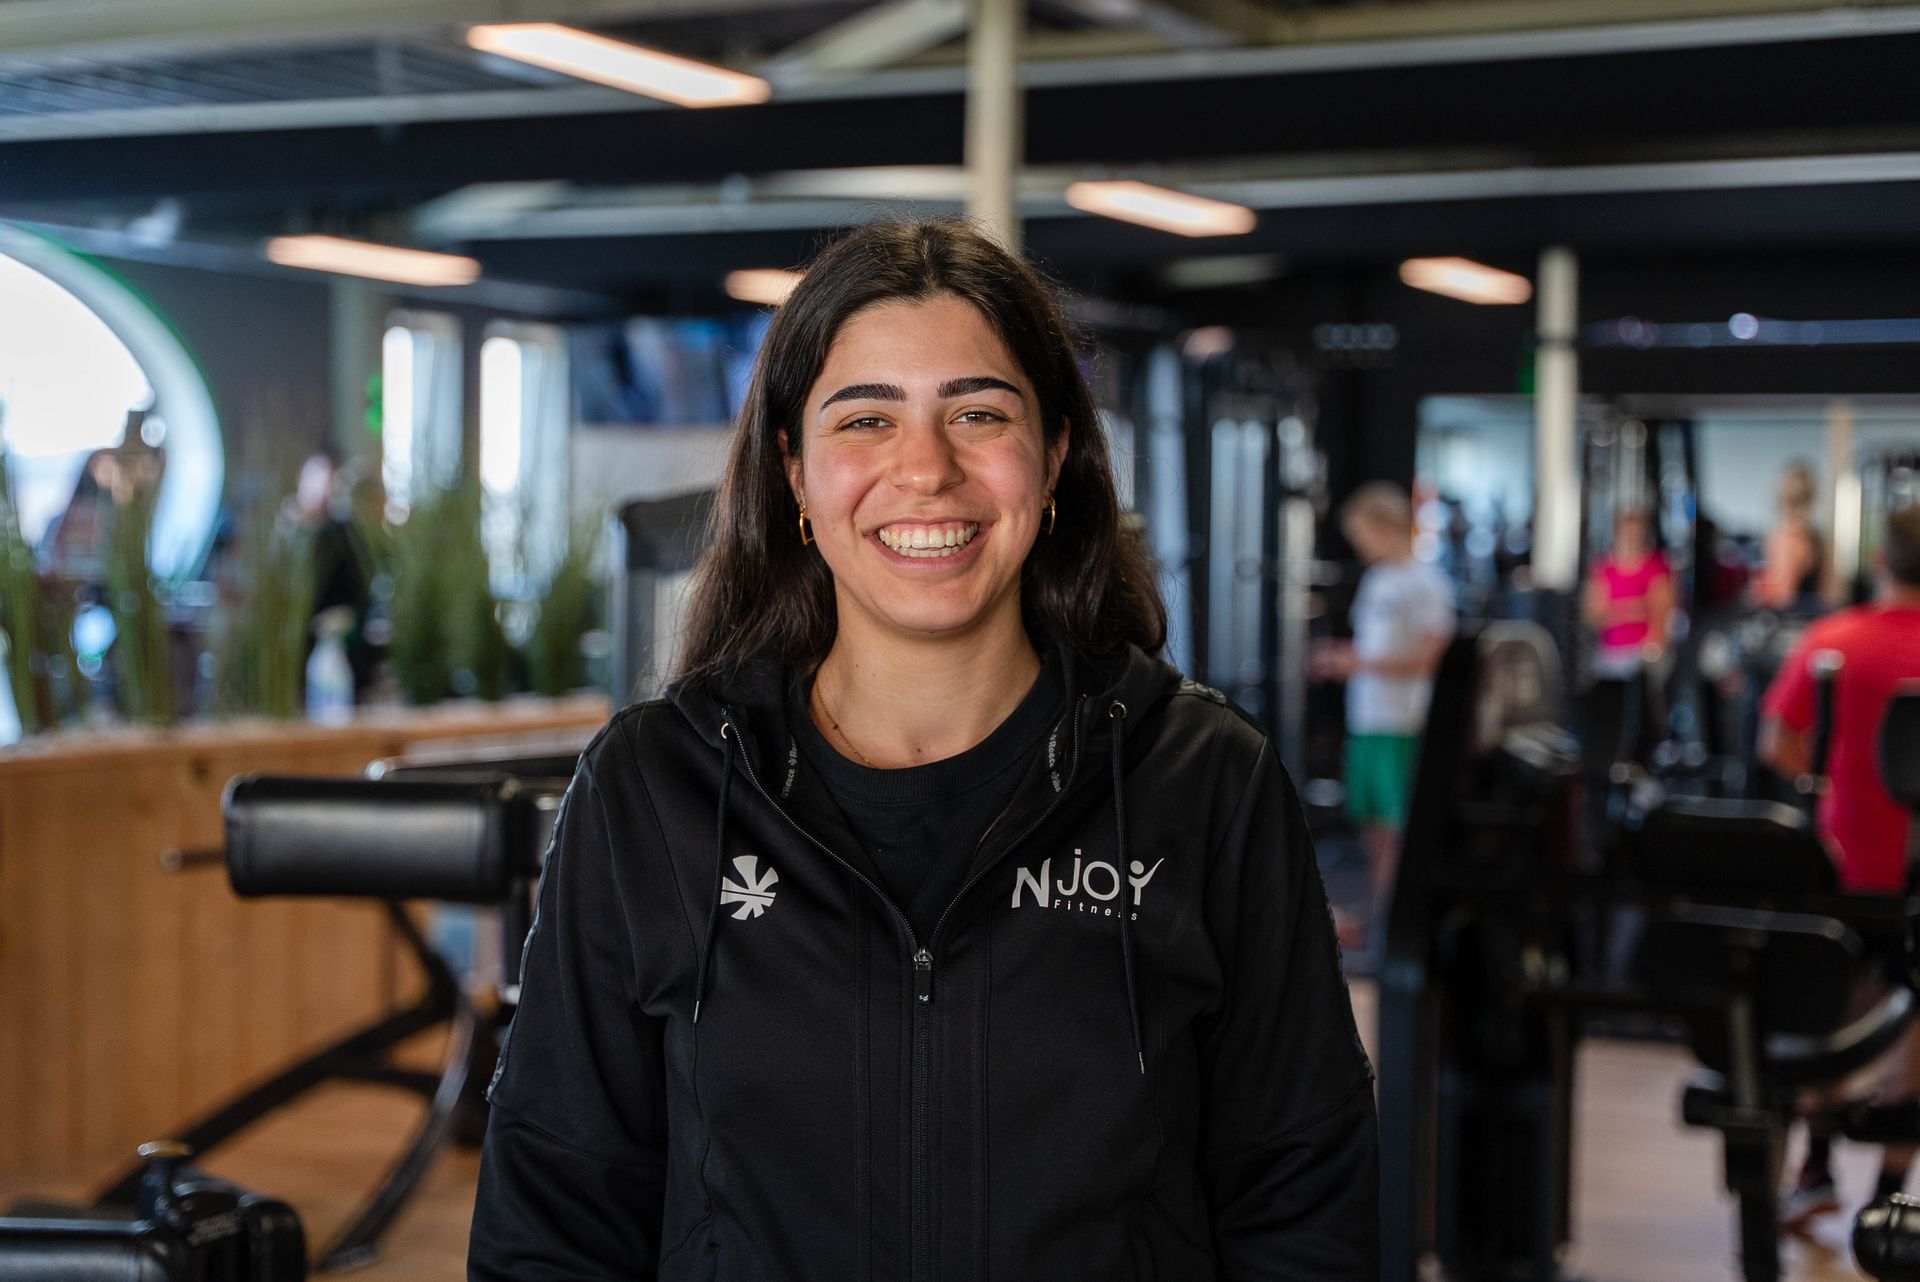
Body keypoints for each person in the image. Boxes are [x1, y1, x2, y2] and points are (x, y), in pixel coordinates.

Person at [468, 220, 1379, 1280]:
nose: (926, 469)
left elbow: (1305, 1202)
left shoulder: (1204, 780)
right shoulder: (653, 787)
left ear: (1054, 456)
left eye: (978, 413)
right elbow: (554, 1217)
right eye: (866, 418)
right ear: (795, 473)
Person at [1759, 502, 1920, 1231]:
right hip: (1911, 881)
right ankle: (1891, 1193)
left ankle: (1817, 1167)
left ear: (1882, 560)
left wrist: (1823, 788)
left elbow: (1778, 743)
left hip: (1843, 870)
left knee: (1828, 1015)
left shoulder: (1835, 640)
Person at [1311, 482, 1455, 947]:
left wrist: (1361, 664)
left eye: (1365, 534)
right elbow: (1374, 648)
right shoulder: (1377, 581)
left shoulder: (1427, 582)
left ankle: (1399, 925)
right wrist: (1342, 657)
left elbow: (1434, 658)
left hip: (1404, 720)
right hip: (1368, 717)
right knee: (1374, 828)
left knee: (1398, 828)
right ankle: (1381, 915)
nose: (1362, 545)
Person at [1583, 506, 1676, 678]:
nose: (1631, 537)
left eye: (1636, 532)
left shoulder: (1656, 567)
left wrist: (1617, 610)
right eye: (1626, 531)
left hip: (1644, 655)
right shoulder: (1603, 568)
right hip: (1609, 656)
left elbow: (1662, 611)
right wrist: (1637, 607)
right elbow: (1593, 615)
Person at [1753, 459, 1826, 614]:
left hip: (1787, 626)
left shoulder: (1786, 539)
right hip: (1808, 622)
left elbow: (1783, 598)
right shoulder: (1814, 538)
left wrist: (1758, 592)